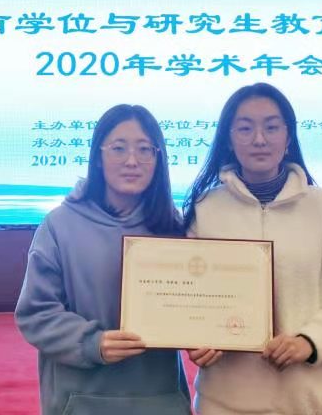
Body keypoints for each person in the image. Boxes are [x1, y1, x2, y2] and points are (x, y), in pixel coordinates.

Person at [183, 83, 322, 415]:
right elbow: (186, 298)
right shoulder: (204, 211)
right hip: (227, 404)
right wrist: (197, 335)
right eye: (245, 128)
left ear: (288, 137)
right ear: (229, 139)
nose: (259, 139)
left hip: (312, 405)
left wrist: (311, 341)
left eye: (272, 127)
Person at [15, 104, 191, 415]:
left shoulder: (174, 227)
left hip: (160, 400)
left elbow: (196, 308)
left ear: (158, 158)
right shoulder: (60, 225)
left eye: (144, 149)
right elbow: (36, 313)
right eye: (118, 148)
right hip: (80, 401)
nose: (132, 161)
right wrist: (91, 342)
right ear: (98, 156)